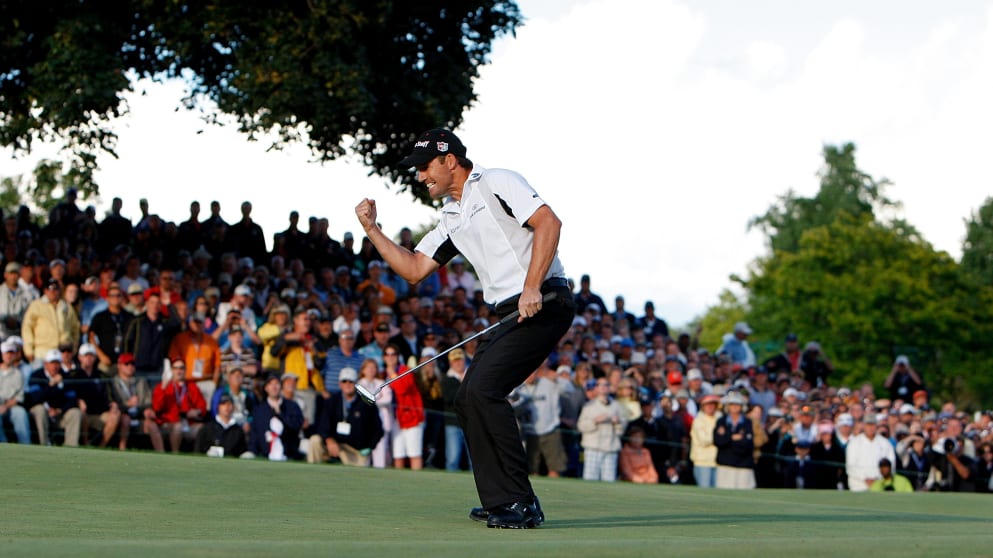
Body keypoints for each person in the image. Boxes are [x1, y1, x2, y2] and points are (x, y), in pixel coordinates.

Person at [355, 128, 574, 528]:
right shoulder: (451, 217)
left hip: (544, 300)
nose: (421, 176)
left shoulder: (496, 182)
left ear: (449, 159)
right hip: (510, 311)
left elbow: (549, 223)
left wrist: (531, 287)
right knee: (467, 398)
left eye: (425, 167)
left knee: (485, 391)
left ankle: (522, 503)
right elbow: (415, 270)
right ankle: (499, 501)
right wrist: (372, 230)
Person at [313, 367, 383, 466]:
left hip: (355, 449)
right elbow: (322, 424)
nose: (347, 384)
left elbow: (378, 429)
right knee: (315, 440)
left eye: (351, 381)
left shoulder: (366, 403)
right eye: (344, 381)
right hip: (334, 444)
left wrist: (370, 446)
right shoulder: (332, 401)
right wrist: (329, 439)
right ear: (340, 384)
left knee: (360, 470)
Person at [70, 343, 124, 449]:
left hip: (99, 413)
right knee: (81, 412)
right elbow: (69, 393)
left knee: (115, 415)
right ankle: (86, 445)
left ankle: (101, 447)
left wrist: (112, 403)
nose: (89, 358)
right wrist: (77, 401)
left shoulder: (102, 375)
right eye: (86, 355)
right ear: (80, 357)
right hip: (82, 414)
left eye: (91, 356)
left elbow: (109, 395)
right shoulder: (73, 375)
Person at [26, 349, 83, 446]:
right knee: (39, 410)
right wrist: (51, 385)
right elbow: (35, 398)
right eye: (52, 363)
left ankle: (71, 446)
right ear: (45, 364)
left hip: (59, 414)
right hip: (43, 413)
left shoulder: (66, 376)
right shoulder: (37, 375)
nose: (55, 366)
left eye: (57, 363)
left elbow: (72, 400)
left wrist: (59, 410)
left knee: (75, 413)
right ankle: (44, 444)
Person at [109, 352, 164, 451]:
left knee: (152, 425)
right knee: (125, 420)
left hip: (139, 415)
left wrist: (146, 410)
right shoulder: (114, 382)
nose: (130, 367)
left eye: (132, 364)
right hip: (123, 415)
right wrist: (127, 404)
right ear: (119, 366)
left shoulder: (141, 381)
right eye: (127, 364)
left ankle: (162, 453)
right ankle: (122, 450)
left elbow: (148, 401)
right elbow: (113, 403)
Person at [151, 360, 208, 452]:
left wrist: (197, 411)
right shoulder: (164, 386)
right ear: (172, 371)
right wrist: (163, 388)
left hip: (188, 422)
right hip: (168, 422)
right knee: (177, 426)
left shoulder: (191, 386)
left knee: (203, 428)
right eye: (176, 368)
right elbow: (157, 407)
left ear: (185, 370)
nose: (179, 371)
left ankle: (198, 454)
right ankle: (175, 453)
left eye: (181, 368)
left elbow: (202, 407)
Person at [21, 278, 81, 366]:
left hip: (63, 353)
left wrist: (74, 349)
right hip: (42, 352)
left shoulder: (67, 307)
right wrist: (29, 350)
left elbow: (75, 328)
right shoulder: (36, 305)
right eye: (49, 288)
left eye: (55, 288)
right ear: (45, 290)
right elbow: (27, 328)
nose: (52, 291)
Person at [168, 312, 223, 407]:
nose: (197, 325)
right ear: (190, 323)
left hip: (206, 381)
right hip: (186, 381)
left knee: (205, 410)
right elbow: (173, 359)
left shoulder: (211, 341)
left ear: (204, 324)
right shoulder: (180, 339)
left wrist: (214, 382)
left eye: (199, 322)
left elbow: (217, 364)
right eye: (195, 322)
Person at [577, 378, 627, 482]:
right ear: (596, 388)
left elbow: (621, 429)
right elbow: (581, 426)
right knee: (590, 479)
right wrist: (595, 421)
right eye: (601, 385)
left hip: (610, 448)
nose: (604, 387)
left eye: (606, 385)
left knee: (609, 481)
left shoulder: (617, 406)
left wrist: (617, 422)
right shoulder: (589, 406)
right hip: (593, 447)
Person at [249, 373, 305, 461]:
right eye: (270, 384)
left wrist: (280, 414)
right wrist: (253, 452)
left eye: (276, 384)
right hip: (264, 456)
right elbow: (254, 434)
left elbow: (296, 426)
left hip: (288, 455)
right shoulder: (259, 410)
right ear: (266, 388)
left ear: (281, 387)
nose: (274, 387)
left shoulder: (292, 406)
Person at [713, 391, 756, 489]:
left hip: (743, 465)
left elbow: (748, 444)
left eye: (737, 404)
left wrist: (727, 437)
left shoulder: (747, 422)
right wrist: (732, 437)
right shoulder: (721, 421)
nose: (734, 407)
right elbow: (718, 441)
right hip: (725, 464)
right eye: (732, 404)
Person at [87, 284, 133, 374]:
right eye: (112, 296)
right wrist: (101, 356)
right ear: (107, 298)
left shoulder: (129, 316)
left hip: (126, 363)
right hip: (106, 361)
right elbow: (91, 337)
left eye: (118, 295)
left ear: (122, 298)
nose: (115, 298)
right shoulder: (100, 316)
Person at [845, 413, 896, 492]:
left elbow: (891, 464)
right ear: (864, 426)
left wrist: (877, 479)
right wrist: (865, 478)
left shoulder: (885, 443)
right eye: (868, 425)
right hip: (858, 486)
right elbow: (850, 466)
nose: (870, 428)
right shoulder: (854, 443)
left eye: (873, 425)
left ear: (876, 426)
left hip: (880, 486)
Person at [195, 393, 249, 458]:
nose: (227, 407)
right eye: (223, 404)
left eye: (229, 404)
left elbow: (242, 452)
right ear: (218, 407)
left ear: (233, 407)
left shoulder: (238, 431)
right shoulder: (207, 428)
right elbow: (198, 451)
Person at [442, 347, 469, 471]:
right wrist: (464, 385)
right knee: (453, 459)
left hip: (471, 423)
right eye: (455, 361)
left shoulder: (472, 375)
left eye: (460, 360)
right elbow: (449, 398)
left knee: (475, 460)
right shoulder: (447, 379)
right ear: (451, 363)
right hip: (453, 423)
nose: (458, 363)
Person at [0, 339, 31, 444]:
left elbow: (19, 397)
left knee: (21, 413)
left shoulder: (18, 374)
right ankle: (3, 444)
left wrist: (5, 406)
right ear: (2, 355)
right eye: (7, 353)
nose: (9, 356)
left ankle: (26, 446)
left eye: (11, 353)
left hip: (10, 407)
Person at [690, 394, 722, 488]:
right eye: (708, 404)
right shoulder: (698, 420)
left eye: (713, 404)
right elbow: (704, 440)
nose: (710, 407)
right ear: (703, 406)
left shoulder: (719, 419)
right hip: (702, 461)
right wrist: (719, 436)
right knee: (705, 491)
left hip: (717, 461)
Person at [0, 261, 36, 340]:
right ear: (5, 275)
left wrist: (18, 322)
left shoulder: (28, 293)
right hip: (1, 334)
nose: (14, 276)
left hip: (19, 334)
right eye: (11, 273)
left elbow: (30, 314)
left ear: (20, 275)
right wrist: (5, 319)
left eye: (16, 274)